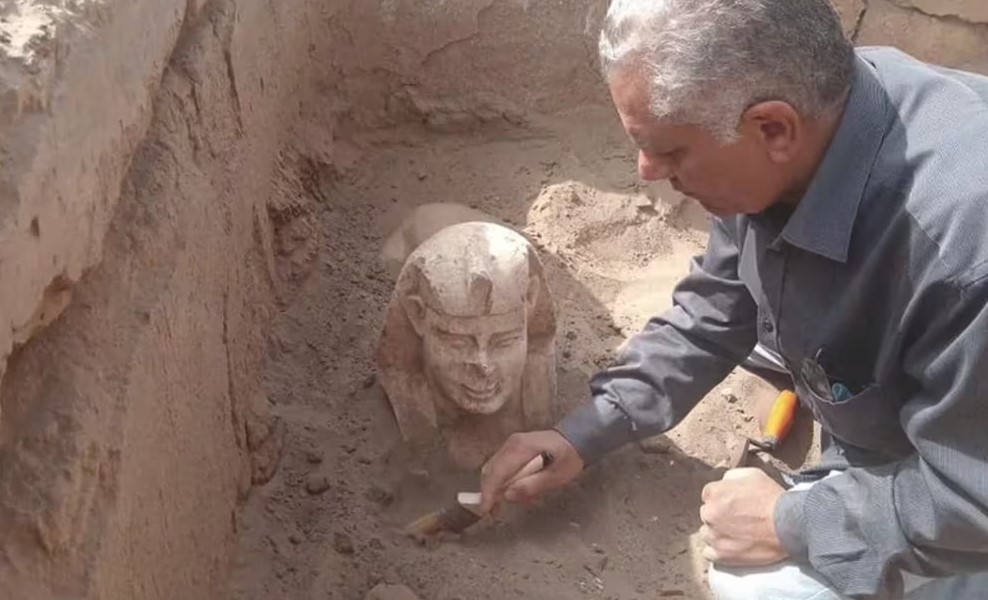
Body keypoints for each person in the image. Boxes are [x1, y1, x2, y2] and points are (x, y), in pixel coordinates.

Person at [477, 0, 988, 598]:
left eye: (669, 152)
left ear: (772, 128)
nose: (645, 171)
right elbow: (716, 308)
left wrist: (792, 521)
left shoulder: (961, 254)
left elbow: (971, 495)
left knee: (760, 583)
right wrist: (583, 433)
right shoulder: (807, 125)